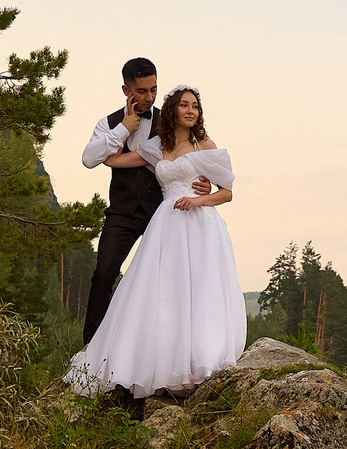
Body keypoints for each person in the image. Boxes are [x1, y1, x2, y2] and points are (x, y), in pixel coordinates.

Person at [65, 86, 242, 398]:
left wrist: (198, 199)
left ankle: (198, 361)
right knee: (165, 293)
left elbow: (226, 193)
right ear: (172, 110)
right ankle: (157, 360)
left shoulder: (205, 145)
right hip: (167, 225)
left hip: (200, 225)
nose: (191, 111)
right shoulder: (157, 147)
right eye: (184, 105)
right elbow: (111, 160)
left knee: (199, 290)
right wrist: (124, 126)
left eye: (195, 106)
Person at [78, 58, 164, 341]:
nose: (149, 97)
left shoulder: (168, 122)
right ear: (126, 90)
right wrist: (123, 129)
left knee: (162, 279)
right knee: (104, 273)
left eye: (153, 89)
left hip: (161, 211)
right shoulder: (108, 124)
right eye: (142, 91)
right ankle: (91, 347)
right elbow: (89, 159)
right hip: (122, 213)